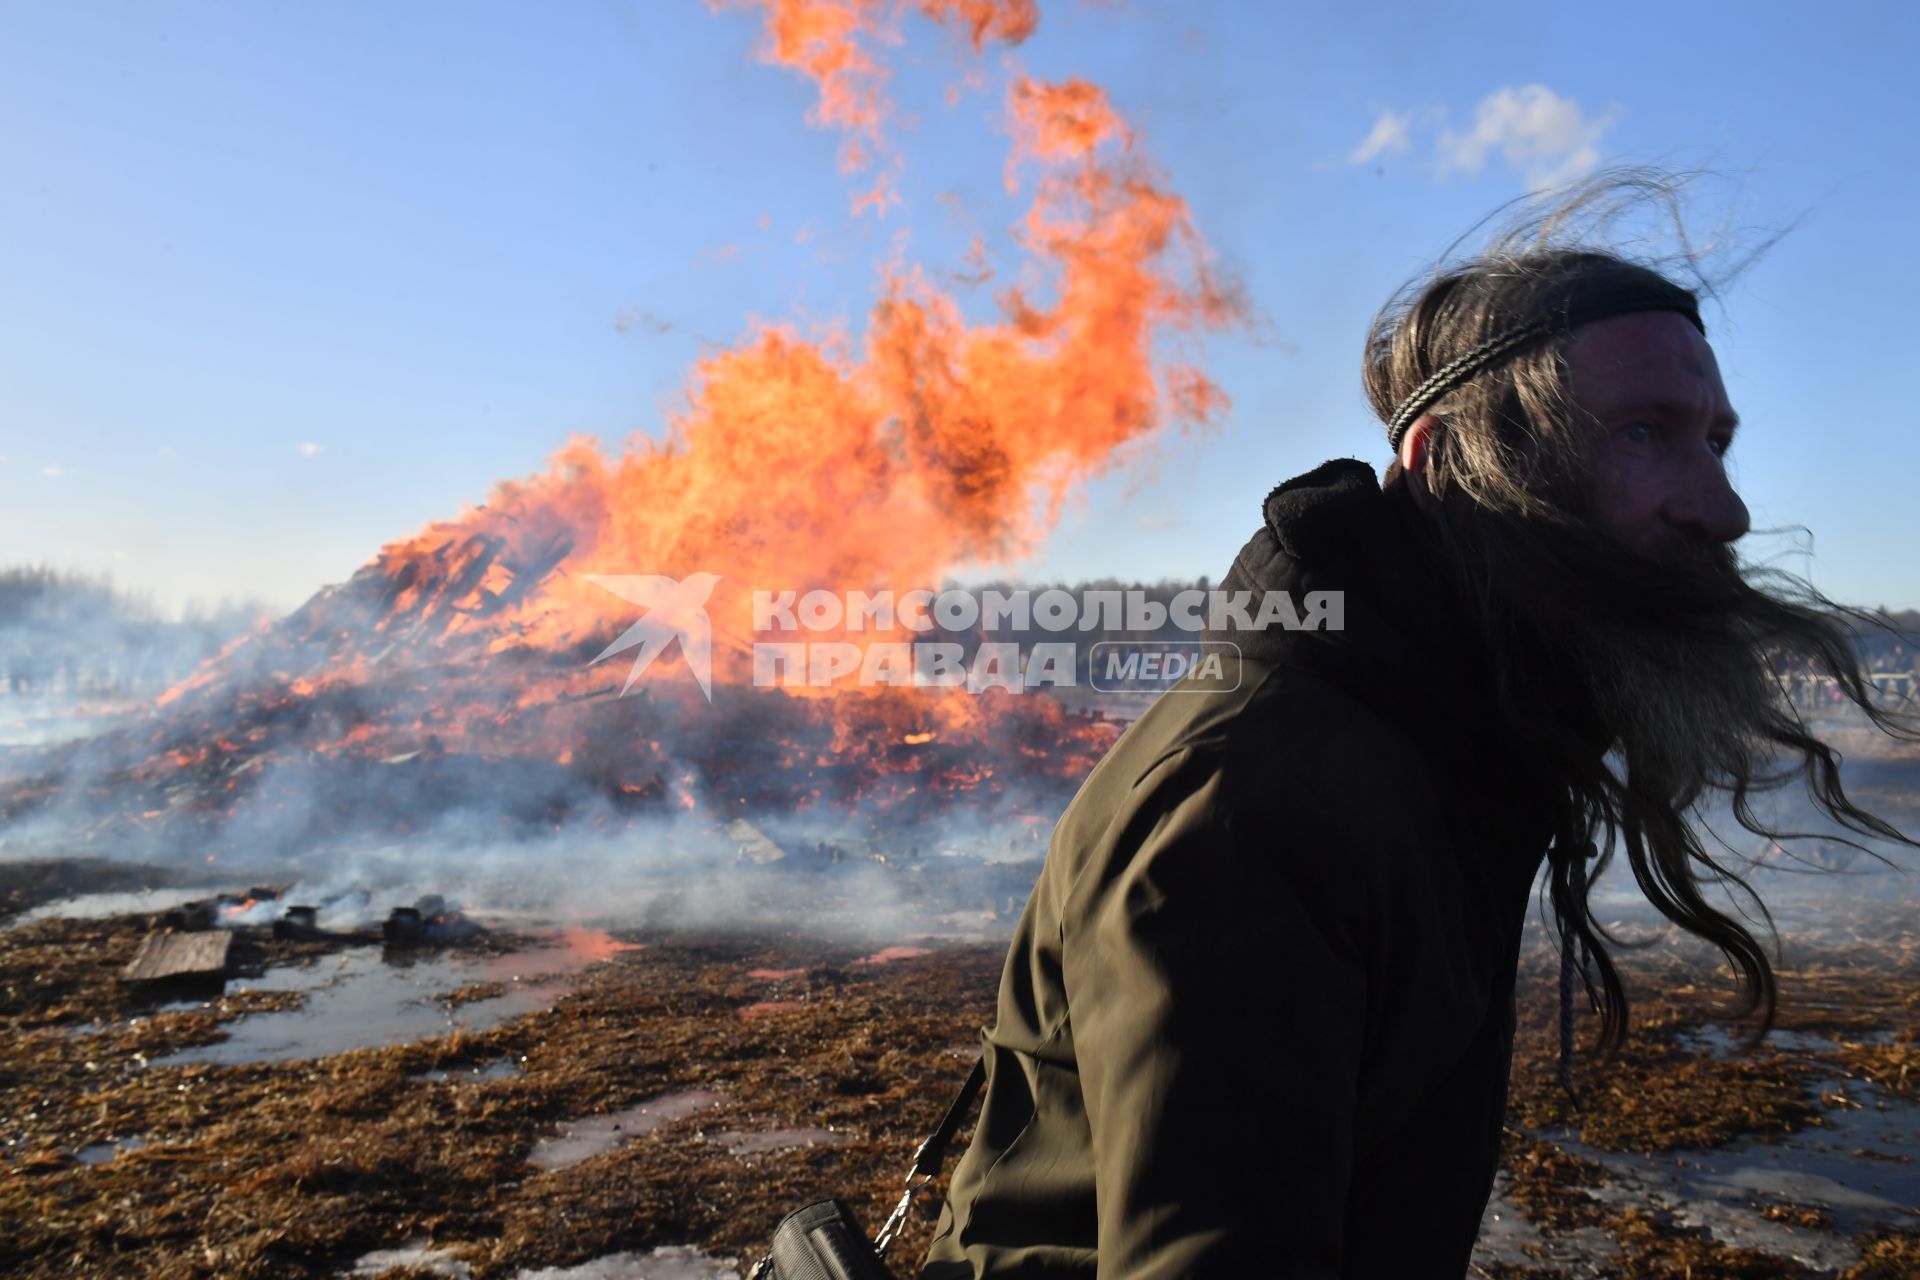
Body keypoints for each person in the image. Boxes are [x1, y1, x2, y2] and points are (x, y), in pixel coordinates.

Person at [918, 175, 1914, 1279]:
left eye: (1714, 440)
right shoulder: (1261, 794)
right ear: (1449, 463)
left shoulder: (1443, 738)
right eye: (1645, 432)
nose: (1720, 507)